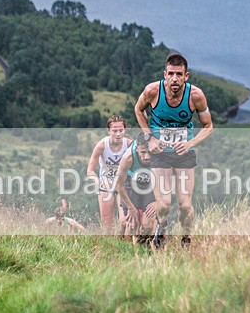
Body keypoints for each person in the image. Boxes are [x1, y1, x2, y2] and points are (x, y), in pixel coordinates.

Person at [134, 51, 213, 248]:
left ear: (186, 76)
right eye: (170, 74)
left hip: (184, 154)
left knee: (184, 205)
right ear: (165, 75)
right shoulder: (152, 91)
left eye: (179, 74)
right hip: (160, 154)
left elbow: (208, 126)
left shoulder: (195, 96)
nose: (174, 79)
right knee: (164, 205)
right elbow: (138, 109)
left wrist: (190, 143)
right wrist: (150, 138)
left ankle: (186, 238)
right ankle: (162, 228)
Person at [86, 115, 130, 233]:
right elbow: (90, 170)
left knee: (124, 221)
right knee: (107, 226)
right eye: (115, 131)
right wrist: (98, 182)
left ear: (125, 130)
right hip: (106, 185)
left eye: (121, 130)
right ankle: (111, 244)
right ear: (109, 131)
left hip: (123, 185)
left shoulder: (129, 144)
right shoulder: (102, 145)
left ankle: (124, 242)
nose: (118, 134)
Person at [114, 132, 157, 245]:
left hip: (151, 182)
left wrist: (157, 202)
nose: (147, 156)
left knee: (148, 224)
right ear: (137, 148)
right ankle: (128, 250)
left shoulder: (159, 153)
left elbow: (168, 180)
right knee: (132, 223)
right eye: (143, 152)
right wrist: (131, 208)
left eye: (149, 152)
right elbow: (119, 185)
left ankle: (145, 249)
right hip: (130, 182)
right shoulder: (128, 157)